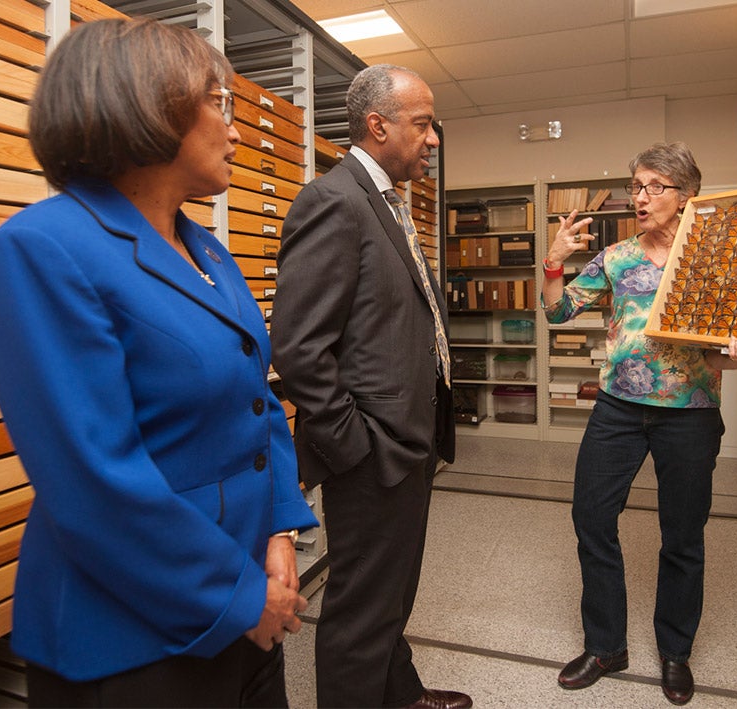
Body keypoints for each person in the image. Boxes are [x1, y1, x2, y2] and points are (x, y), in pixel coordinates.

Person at [0, 18, 317, 707]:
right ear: (148, 106)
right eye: (217, 103)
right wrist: (241, 593)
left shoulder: (208, 250)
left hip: (248, 595)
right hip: (133, 634)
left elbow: (257, 397)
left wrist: (279, 529)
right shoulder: (42, 248)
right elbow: (94, 477)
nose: (237, 130)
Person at [541, 142, 737, 705]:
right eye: (636, 186)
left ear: (686, 196)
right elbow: (556, 312)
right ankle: (606, 646)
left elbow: (716, 356)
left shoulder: (713, 263)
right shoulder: (618, 257)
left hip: (690, 415)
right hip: (618, 408)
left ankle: (675, 651)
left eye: (653, 187)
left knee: (683, 535)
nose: (640, 197)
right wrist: (553, 259)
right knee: (591, 518)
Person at [271, 64, 469, 709]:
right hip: (373, 447)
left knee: (391, 588)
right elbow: (301, 348)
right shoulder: (334, 200)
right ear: (378, 125)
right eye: (422, 124)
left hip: (407, 437)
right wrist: (355, 444)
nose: (433, 138)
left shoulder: (383, 199)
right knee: (361, 605)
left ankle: (400, 692)